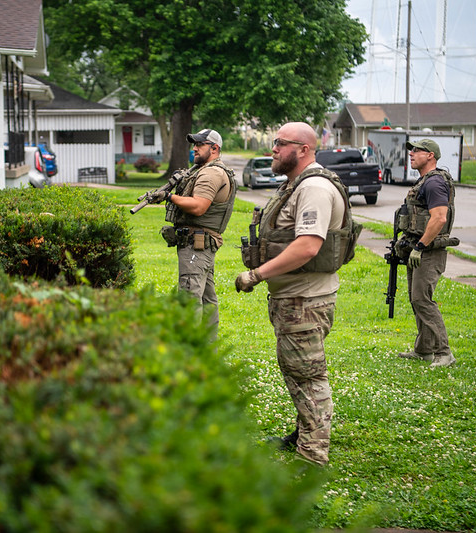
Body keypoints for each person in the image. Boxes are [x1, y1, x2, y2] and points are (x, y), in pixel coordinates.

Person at [235, 122, 351, 466]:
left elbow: (307, 247)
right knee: (298, 370)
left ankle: (312, 455)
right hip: (295, 298)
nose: (273, 149)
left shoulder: (313, 188)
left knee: (308, 376)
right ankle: (304, 434)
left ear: (303, 149)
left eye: (280, 144)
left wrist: (256, 274)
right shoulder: (296, 185)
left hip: (304, 300)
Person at [150, 128, 236, 336]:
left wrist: (169, 197)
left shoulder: (211, 173)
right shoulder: (205, 170)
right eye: (194, 145)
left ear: (214, 148)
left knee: (189, 300)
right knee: (207, 301)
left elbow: (198, 206)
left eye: (199, 145)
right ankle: (207, 354)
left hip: (196, 246)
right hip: (200, 245)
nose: (194, 149)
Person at [395, 138, 458, 368]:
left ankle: (444, 352)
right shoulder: (424, 182)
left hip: (429, 251)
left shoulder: (434, 183)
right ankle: (423, 350)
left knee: (422, 299)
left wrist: (420, 247)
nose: (411, 154)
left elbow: (439, 218)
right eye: (411, 150)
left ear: (430, 155)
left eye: (417, 151)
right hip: (418, 249)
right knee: (417, 299)